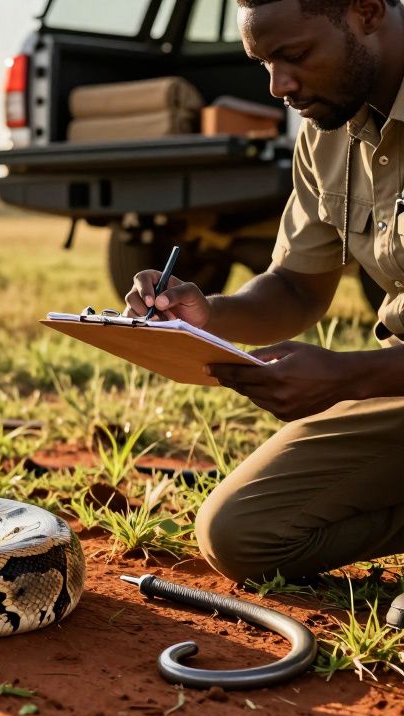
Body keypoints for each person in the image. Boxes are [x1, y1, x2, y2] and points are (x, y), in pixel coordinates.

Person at [124, 0, 404, 624]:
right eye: (265, 63)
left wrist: (352, 377)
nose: (278, 86)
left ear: (367, 12)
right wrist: (206, 313)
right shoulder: (328, 130)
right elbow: (297, 289)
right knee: (243, 532)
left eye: (295, 56)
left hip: (384, 381)